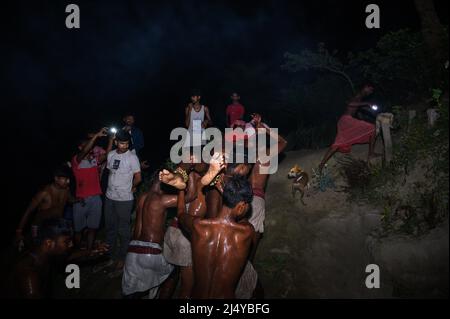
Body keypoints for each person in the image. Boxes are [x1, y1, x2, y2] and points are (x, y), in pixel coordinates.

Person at [190, 175, 255, 299]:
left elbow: (181, 214)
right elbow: (243, 218)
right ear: (241, 206)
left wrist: (181, 190)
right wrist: (228, 195)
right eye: (247, 205)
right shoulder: (246, 232)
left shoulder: (198, 226)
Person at [121, 172, 180, 299]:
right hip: (150, 253)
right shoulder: (162, 199)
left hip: (132, 252)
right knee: (174, 273)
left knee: (131, 293)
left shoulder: (142, 197)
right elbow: (189, 196)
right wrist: (183, 182)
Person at [247, 113, 287, 261]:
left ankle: (249, 264)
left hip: (256, 197)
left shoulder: (267, 153)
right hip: (243, 197)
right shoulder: (249, 153)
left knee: (254, 233)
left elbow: (283, 142)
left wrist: (265, 128)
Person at [104, 129, 142, 274]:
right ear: (116, 142)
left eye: (126, 143)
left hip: (124, 199)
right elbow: (110, 172)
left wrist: (132, 187)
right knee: (110, 227)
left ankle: (122, 258)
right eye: (121, 143)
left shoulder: (132, 157)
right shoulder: (111, 155)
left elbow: (138, 177)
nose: (124, 146)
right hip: (109, 197)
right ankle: (111, 256)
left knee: (123, 230)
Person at [318, 84, 380, 171]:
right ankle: (321, 165)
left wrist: (369, 109)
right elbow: (350, 103)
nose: (371, 91)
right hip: (346, 120)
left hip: (345, 121)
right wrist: (367, 103)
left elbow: (355, 108)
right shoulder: (358, 95)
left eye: (372, 90)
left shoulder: (360, 97)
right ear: (365, 87)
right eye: (370, 89)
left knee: (338, 143)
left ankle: (321, 165)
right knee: (373, 128)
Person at [72, 128, 113, 255]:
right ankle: (77, 250)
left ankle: (89, 251)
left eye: (89, 146)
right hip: (81, 199)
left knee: (93, 228)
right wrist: (95, 136)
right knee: (78, 229)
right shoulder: (76, 161)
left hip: (96, 198)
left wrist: (111, 140)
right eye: (85, 146)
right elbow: (85, 151)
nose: (89, 148)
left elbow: (106, 155)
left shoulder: (94, 160)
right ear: (80, 147)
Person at [12, 218, 73, 298]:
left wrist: (91, 251)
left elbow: (67, 257)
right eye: (66, 241)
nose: (71, 244)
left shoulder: (43, 253)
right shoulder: (28, 275)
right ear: (49, 243)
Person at [15, 166, 72, 249]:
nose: (68, 181)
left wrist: (79, 200)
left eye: (68, 179)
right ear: (56, 179)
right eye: (65, 179)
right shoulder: (44, 193)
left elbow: (70, 199)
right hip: (39, 227)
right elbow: (28, 211)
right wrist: (19, 231)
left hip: (55, 226)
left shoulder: (66, 190)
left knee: (59, 247)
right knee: (40, 249)